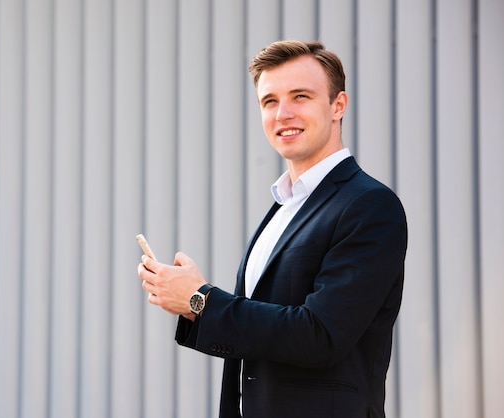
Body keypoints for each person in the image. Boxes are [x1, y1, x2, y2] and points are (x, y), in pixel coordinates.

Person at [137, 40, 407, 418]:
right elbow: (262, 329)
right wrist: (192, 303)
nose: (283, 113)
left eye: (300, 96)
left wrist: (202, 299)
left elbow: (321, 335)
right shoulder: (285, 207)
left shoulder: (369, 206)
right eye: (269, 101)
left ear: (338, 105)